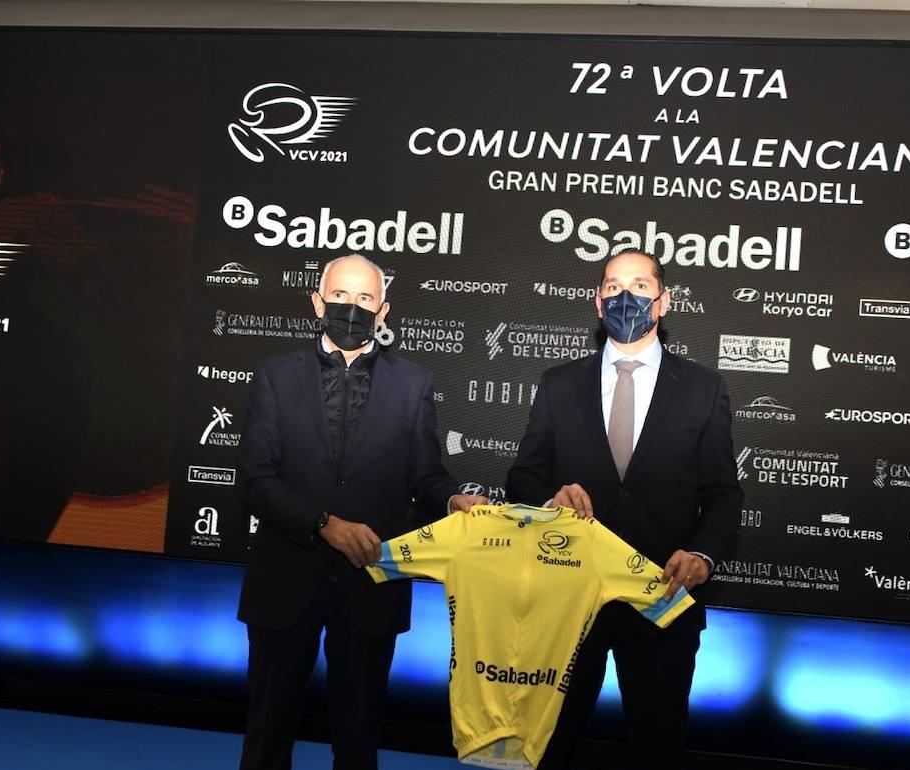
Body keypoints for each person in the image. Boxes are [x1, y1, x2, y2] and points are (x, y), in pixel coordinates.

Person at [236, 253, 485, 770]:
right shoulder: (274, 375)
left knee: (359, 739)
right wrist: (324, 524)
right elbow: (257, 481)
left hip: (372, 582)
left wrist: (453, 499)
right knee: (266, 734)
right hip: (285, 579)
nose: (352, 307)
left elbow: (426, 475)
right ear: (316, 302)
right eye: (340, 296)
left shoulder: (414, 383)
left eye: (365, 298)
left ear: (384, 309)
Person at [506, 248, 743, 770]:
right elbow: (522, 475)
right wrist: (549, 500)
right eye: (613, 286)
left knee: (656, 748)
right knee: (548, 747)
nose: (625, 296)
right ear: (597, 302)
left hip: (662, 596)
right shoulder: (558, 383)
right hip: (567, 601)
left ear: (663, 302)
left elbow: (724, 492)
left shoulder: (704, 388)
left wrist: (703, 554)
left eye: (638, 285)